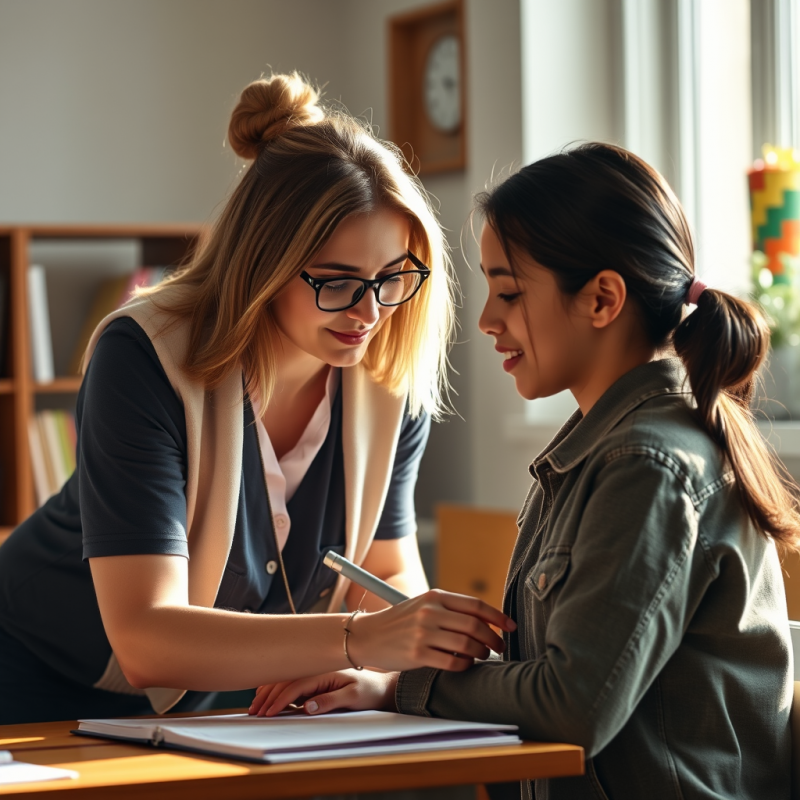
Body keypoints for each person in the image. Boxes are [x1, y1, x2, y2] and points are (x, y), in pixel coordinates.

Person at [249, 143, 799, 800]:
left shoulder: (645, 466)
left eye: (508, 293)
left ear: (602, 299)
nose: (486, 320)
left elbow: (572, 704)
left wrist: (401, 687)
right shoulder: (602, 451)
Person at [0, 73, 514, 725]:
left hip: (217, 696)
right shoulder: (144, 355)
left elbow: (387, 575)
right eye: (337, 282)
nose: (370, 312)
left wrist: (378, 670)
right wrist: (359, 640)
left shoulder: (387, 376)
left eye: (392, 278)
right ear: (263, 264)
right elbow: (145, 638)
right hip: (35, 675)